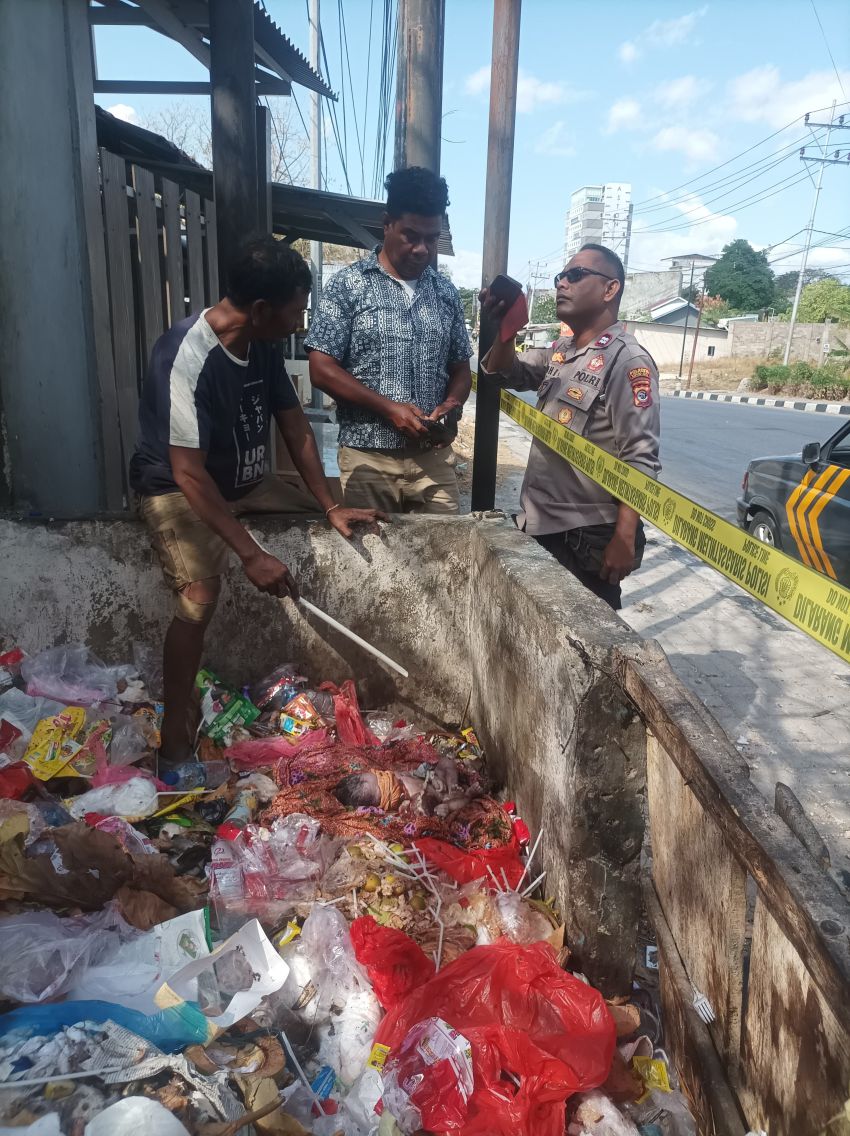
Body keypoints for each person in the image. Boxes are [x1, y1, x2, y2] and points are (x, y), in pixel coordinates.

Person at [129, 235, 382, 764]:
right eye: (295, 313)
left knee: (322, 520)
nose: (300, 324)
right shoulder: (184, 356)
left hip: (243, 484)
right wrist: (251, 554)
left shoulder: (263, 345)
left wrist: (328, 505)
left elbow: (296, 427)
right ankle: (174, 730)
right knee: (199, 595)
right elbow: (188, 472)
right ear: (262, 310)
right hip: (178, 485)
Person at [480, 243, 661, 610]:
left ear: (610, 289)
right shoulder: (561, 351)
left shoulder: (628, 361)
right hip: (540, 522)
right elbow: (505, 371)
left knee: (583, 638)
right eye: (560, 277)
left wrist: (625, 536)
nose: (562, 283)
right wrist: (507, 329)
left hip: (585, 536)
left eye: (575, 275)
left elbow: (640, 458)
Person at [305, 166, 473, 514]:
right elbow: (321, 369)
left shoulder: (445, 293)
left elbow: (460, 368)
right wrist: (388, 408)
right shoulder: (348, 285)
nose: (422, 249)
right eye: (411, 235)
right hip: (368, 458)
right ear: (387, 224)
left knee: (446, 546)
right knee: (374, 549)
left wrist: (452, 404)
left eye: (432, 239)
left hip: (433, 461)